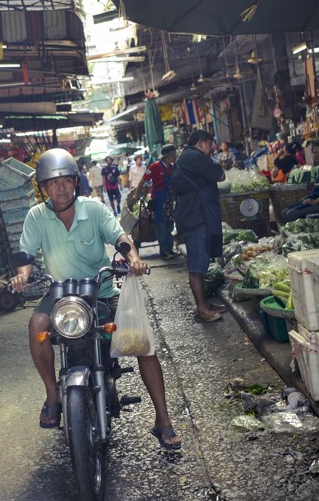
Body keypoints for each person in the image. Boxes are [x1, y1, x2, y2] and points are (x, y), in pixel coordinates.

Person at [11, 148, 181, 450]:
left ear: (75, 181)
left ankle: (163, 419)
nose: (60, 187)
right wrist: (22, 275)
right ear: (44, 188)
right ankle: (52, 396)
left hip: (101, 291)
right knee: (36, 323)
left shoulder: (95, 209)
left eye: (66, 180)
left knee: (142, 341)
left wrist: (134, 259)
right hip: (61, 296)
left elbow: (121, 239)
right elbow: (25, 256)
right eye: (53, 182)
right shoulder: (36, 216)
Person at [171, 129, 226, 323]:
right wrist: (218, 165)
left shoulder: (187, 157)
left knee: (200, 260)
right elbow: (220, 175)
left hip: (194, 214)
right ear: (201, 143)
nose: (211, 148)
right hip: (195, 216)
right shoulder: (195, 157)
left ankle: (204, 304)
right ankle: (202, 309)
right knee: (196, 263)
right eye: (210, 144)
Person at [281, 140, 319, 222]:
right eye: (314, 153)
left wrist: (316, 201)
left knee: (291, 214)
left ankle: (303, 233)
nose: (317, 155)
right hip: (316, 199)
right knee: (284, 212)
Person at [139, 144, 178, 259]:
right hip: (159, 202)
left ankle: (170, 249)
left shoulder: (171, 168)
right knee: (161, 227)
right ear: (168, 156)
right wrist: (137, 193)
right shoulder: (154, 166)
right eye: (173, 155)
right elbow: (144, 179)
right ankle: (163, 252)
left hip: (169, 201)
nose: (175, 156)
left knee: (170, 227)